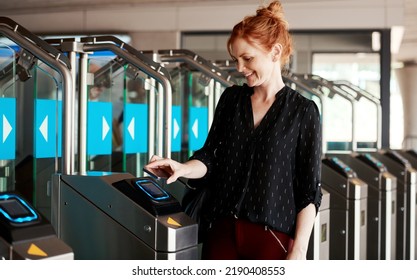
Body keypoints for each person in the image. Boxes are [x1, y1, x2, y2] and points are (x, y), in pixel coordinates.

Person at [144, 0, 322, 260]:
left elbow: (309, 190)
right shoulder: (231, 100)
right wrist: (183, 168)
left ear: (275, 52)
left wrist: (299, 250)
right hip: (222, 234)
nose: (239, 68)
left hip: (271, 240)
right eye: (236, 59)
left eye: (247, 58)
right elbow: (210, 157)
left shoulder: (303, 111)